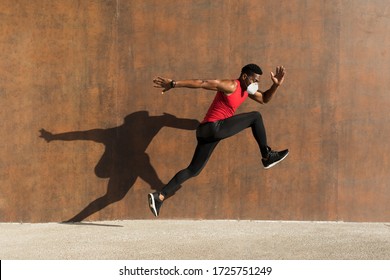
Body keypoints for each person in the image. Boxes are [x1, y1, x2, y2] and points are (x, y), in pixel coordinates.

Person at [149, 64, 288, 217]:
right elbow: (203, 83)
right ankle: (267, 156)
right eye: (254, 80)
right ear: (244, 77)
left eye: (258, 82)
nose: (256, 84)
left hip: (206, 132)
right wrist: (174, 83)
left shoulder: (247, 91)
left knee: (193, 170)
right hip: (213, 128)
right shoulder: (230, 85)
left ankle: (159, 196)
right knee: (255, 117)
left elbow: (265, 99)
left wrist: (275, 85)